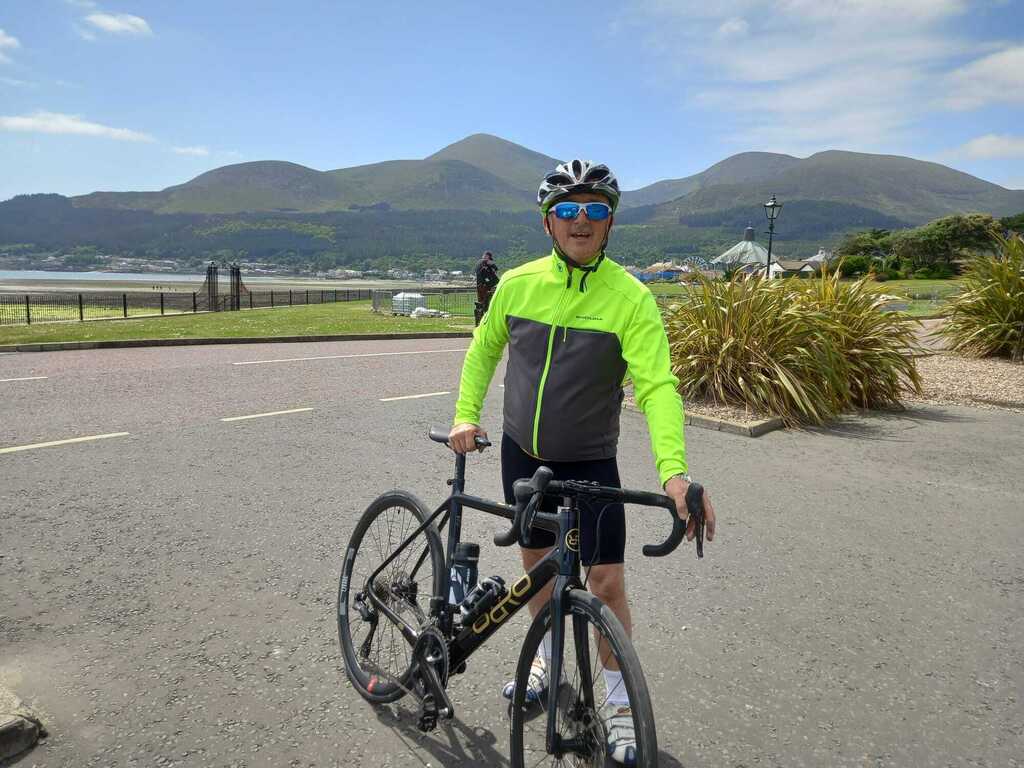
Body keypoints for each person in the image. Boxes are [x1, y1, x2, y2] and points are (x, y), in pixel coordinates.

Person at [449, 159, 716, 765]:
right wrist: (467, 414)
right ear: (548, 222)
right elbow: (483, 349)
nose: (581, 220)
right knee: (539, 565)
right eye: (568, 210)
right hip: (523, 452)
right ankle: (545, 657)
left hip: (591, 463)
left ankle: (618, 706)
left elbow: (658, 387)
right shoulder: (516, 285)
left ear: (610, 223)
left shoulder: (631, 298)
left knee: (606, 583)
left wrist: (674, 473)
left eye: (595, 210)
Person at [473, 250, 500, 326]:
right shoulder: (485, 261)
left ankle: (480, 319)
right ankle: (485, 318)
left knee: (481, 302)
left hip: (479, 285)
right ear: (488, 256)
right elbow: (494, 268)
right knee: (486, 303)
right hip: (485, 286)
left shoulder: (478, 263)